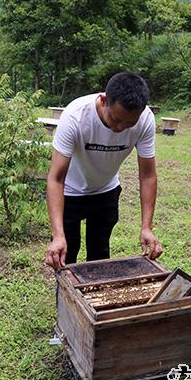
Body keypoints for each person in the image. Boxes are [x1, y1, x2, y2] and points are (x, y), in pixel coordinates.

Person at [45, 72, 162, 269]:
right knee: (65, 256)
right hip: (69, 192)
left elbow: (148, 175)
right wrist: (57, 235)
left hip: (106, 190)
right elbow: (56, 178)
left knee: (100, 256)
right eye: (116, 119)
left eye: (129, 124)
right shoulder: (76, 116)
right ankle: (66, 299)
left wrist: (146, 227)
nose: (121, 128)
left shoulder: (145, 120)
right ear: (104, 100)